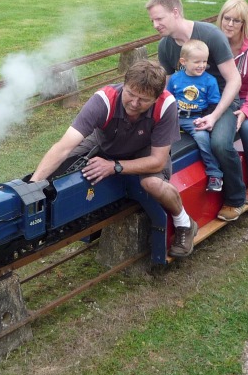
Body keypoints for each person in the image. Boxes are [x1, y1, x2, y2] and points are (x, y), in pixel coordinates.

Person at [30, 60, 199, 258]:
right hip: (105, 143)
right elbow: (63, 147)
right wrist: (32, 187)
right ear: (123, 85)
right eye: (130, 94)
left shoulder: (166, 105)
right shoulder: (103, 100)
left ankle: (184, 223)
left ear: (156, 97)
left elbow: (158, 161)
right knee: (66, 163)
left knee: (153, 184)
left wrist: (114, 167)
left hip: (145, 150)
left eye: (143, 99)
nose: (134, 103)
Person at [146, 0, 246, 222]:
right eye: (152, 20)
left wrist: (214, 116)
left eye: (159, 19)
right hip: (184, 107)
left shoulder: (211, 35)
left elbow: (234, 80)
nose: (155, 25)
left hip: (220, 102)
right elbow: (169, 86)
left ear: (175, 12)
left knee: (220, 143)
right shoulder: (165, 47)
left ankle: (235, 198)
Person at [217, 0, 248, 205]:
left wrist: (246, 110)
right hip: (223, 96)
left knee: (246, 128)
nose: (229, 24)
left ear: (244, 24)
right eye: (226, 19)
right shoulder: (215, 42)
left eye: (236, 21)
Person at [166, 40, 223, 192]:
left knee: (203, 139)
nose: (201, 65)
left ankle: (214, 173)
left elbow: (213, 104)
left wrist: (204, 118)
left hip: (196, 118)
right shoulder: (175, 79)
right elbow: (169, 98)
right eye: (197, 61)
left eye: (204, 61)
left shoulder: (209, 81)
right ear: (183, 62)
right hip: (176, 117)